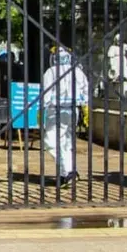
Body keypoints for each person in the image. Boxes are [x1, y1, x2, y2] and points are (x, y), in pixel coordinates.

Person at [41, 47, 88, 186]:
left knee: (51, 142)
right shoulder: (78, 71)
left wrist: (41, 109)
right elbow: (86, 90)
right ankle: (68, 172)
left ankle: (67, 171)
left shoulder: (51, 72)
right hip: (73, 110)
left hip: (55, 111)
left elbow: (45, 92)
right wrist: (85, 106)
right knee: (66, 142)